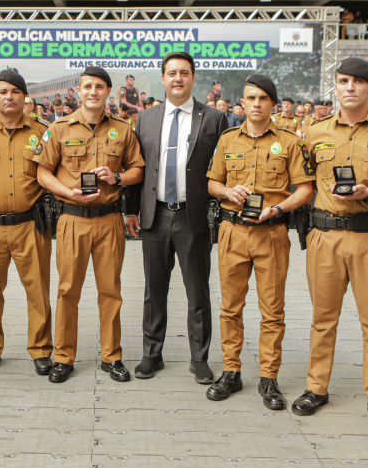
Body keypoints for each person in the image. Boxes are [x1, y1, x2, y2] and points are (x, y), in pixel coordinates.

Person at [295, 57, 368, 435]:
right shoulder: (315, 131)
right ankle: (316, 387)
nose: (350, 87)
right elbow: (304, 180)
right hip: (325, 236)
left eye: (358, 82)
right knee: (322, 319)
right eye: (343, 81)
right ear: (336, 86)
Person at [205, 74, 315, 407]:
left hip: (271, 233)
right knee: (229, 308)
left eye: (263, 99)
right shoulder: (227, 140)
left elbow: (306, 190)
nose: (256, 104)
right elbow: (212, 183)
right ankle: (231, 372)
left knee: (272, 311)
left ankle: (269, 379)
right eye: (250, 98)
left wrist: (278, 207)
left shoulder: (290, 141)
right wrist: (227, 191)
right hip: (233, 231)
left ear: (272, 104)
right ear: (243, 102)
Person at [33, 67, 144, 383]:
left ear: (109, 92)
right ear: (78, 91)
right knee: (68, 290)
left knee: (111, 291)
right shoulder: (59, 129)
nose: (93, 92)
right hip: (72, 220)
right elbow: (43, 172)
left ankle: (112, 357)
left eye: (99, 87)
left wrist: (118, 177)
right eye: (87, 87)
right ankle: (64, 357)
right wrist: (67, 191)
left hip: (109, 219)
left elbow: (138, 169)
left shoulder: (123, 130)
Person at [124, 52, 227, 383]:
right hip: (154, 216)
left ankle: (200, 358)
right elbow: (136, 167)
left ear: (193, 78)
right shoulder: (146, 118)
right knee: (154, 291)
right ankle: (152, 354)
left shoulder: (213, 118)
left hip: (192, 217)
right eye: (171, 73)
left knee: (197, 291)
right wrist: (130, 209)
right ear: (163, 79)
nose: (178, 78)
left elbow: (222, 168)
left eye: (184, 73)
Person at [0, 71, 53, 375]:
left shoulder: (44, 132)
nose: (9, 97)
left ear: (24, 97)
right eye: (3, 91)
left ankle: (41, 349)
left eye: (15, 91)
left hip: (30, 224)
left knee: (38, 290)